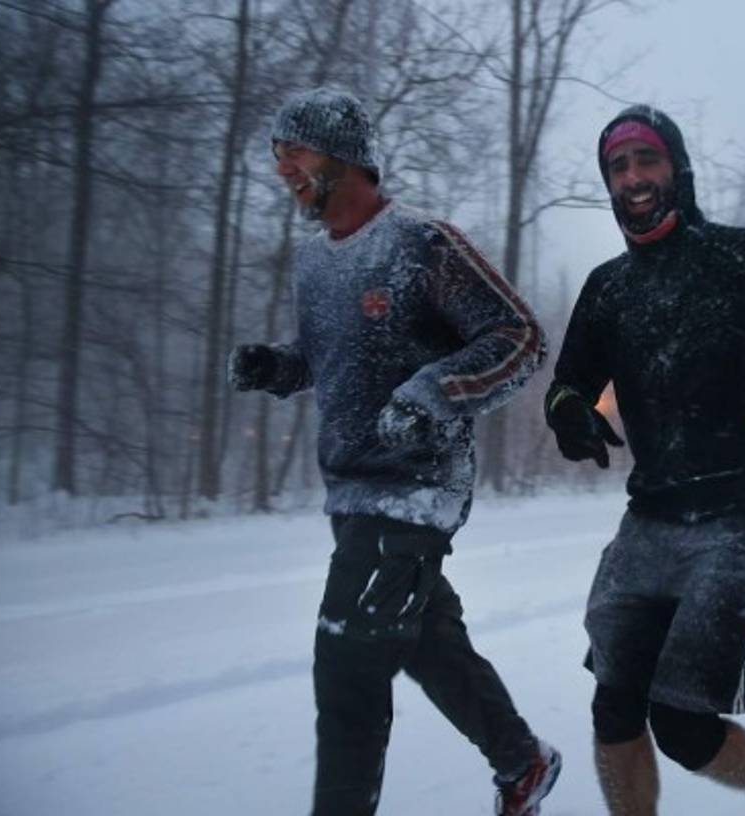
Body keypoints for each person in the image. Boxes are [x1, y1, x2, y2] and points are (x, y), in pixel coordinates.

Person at [228, 87, 560, 816]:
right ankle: (523, 761)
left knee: (346, 661)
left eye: (295, 150)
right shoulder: (314, 265)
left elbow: (519, 338)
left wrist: (432, 394)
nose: (281, 166)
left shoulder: (420, 242)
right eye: (276, 153)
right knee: (424, 641)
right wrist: (279, 369)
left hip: (416, 489)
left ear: (342, 156)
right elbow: (328, 361)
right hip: (350, 492)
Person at [544, 106, 745, 816]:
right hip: (651, 515)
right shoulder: (607, 288)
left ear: (676, 169)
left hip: (742, 515)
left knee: (682, 724)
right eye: (618, 168)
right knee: (613, 707)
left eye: (646, 160)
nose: (633, 178)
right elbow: (570, 382)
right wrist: (568, 414)